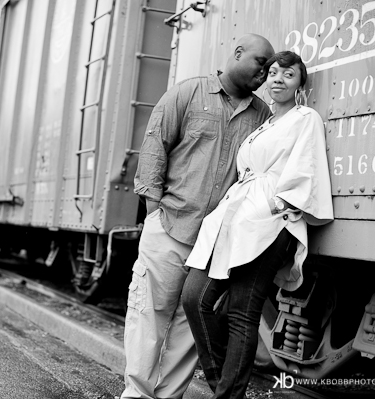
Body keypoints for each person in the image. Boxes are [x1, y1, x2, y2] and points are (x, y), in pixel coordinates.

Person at [121, 34, 275, 399]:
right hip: (170, 224)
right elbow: (155, 145)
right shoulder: (188, 93)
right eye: (260, 62)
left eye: (270, 68)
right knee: (148, 316)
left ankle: (168, 397)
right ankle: (136, 395)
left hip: (215, 243)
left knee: (187, 329)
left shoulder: (262, 116)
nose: (265, 73)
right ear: (237, 53)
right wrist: (154, 209)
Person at [181, 51, 334, 399]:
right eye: (274, 72)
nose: (278, 78)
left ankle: (227, 395)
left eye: (289, 74)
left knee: (241, 312)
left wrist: (277, 204)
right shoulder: (264, 125)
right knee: (195, 298)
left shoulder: (304, 118)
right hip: (236, 218)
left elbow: (306, 166)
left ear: (300, 84)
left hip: (270, 223)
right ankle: (224, 386)